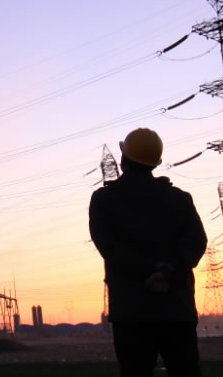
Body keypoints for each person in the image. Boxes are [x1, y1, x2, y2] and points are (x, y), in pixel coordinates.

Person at [89, 128, 208, 377]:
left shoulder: (104, 200)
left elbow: (110, 248)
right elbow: (196, 243)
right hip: (176, 308)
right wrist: (168, 274)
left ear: (123, 160)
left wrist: (146, 273)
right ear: (156, 162)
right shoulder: (180, 199)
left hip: (131, 311)